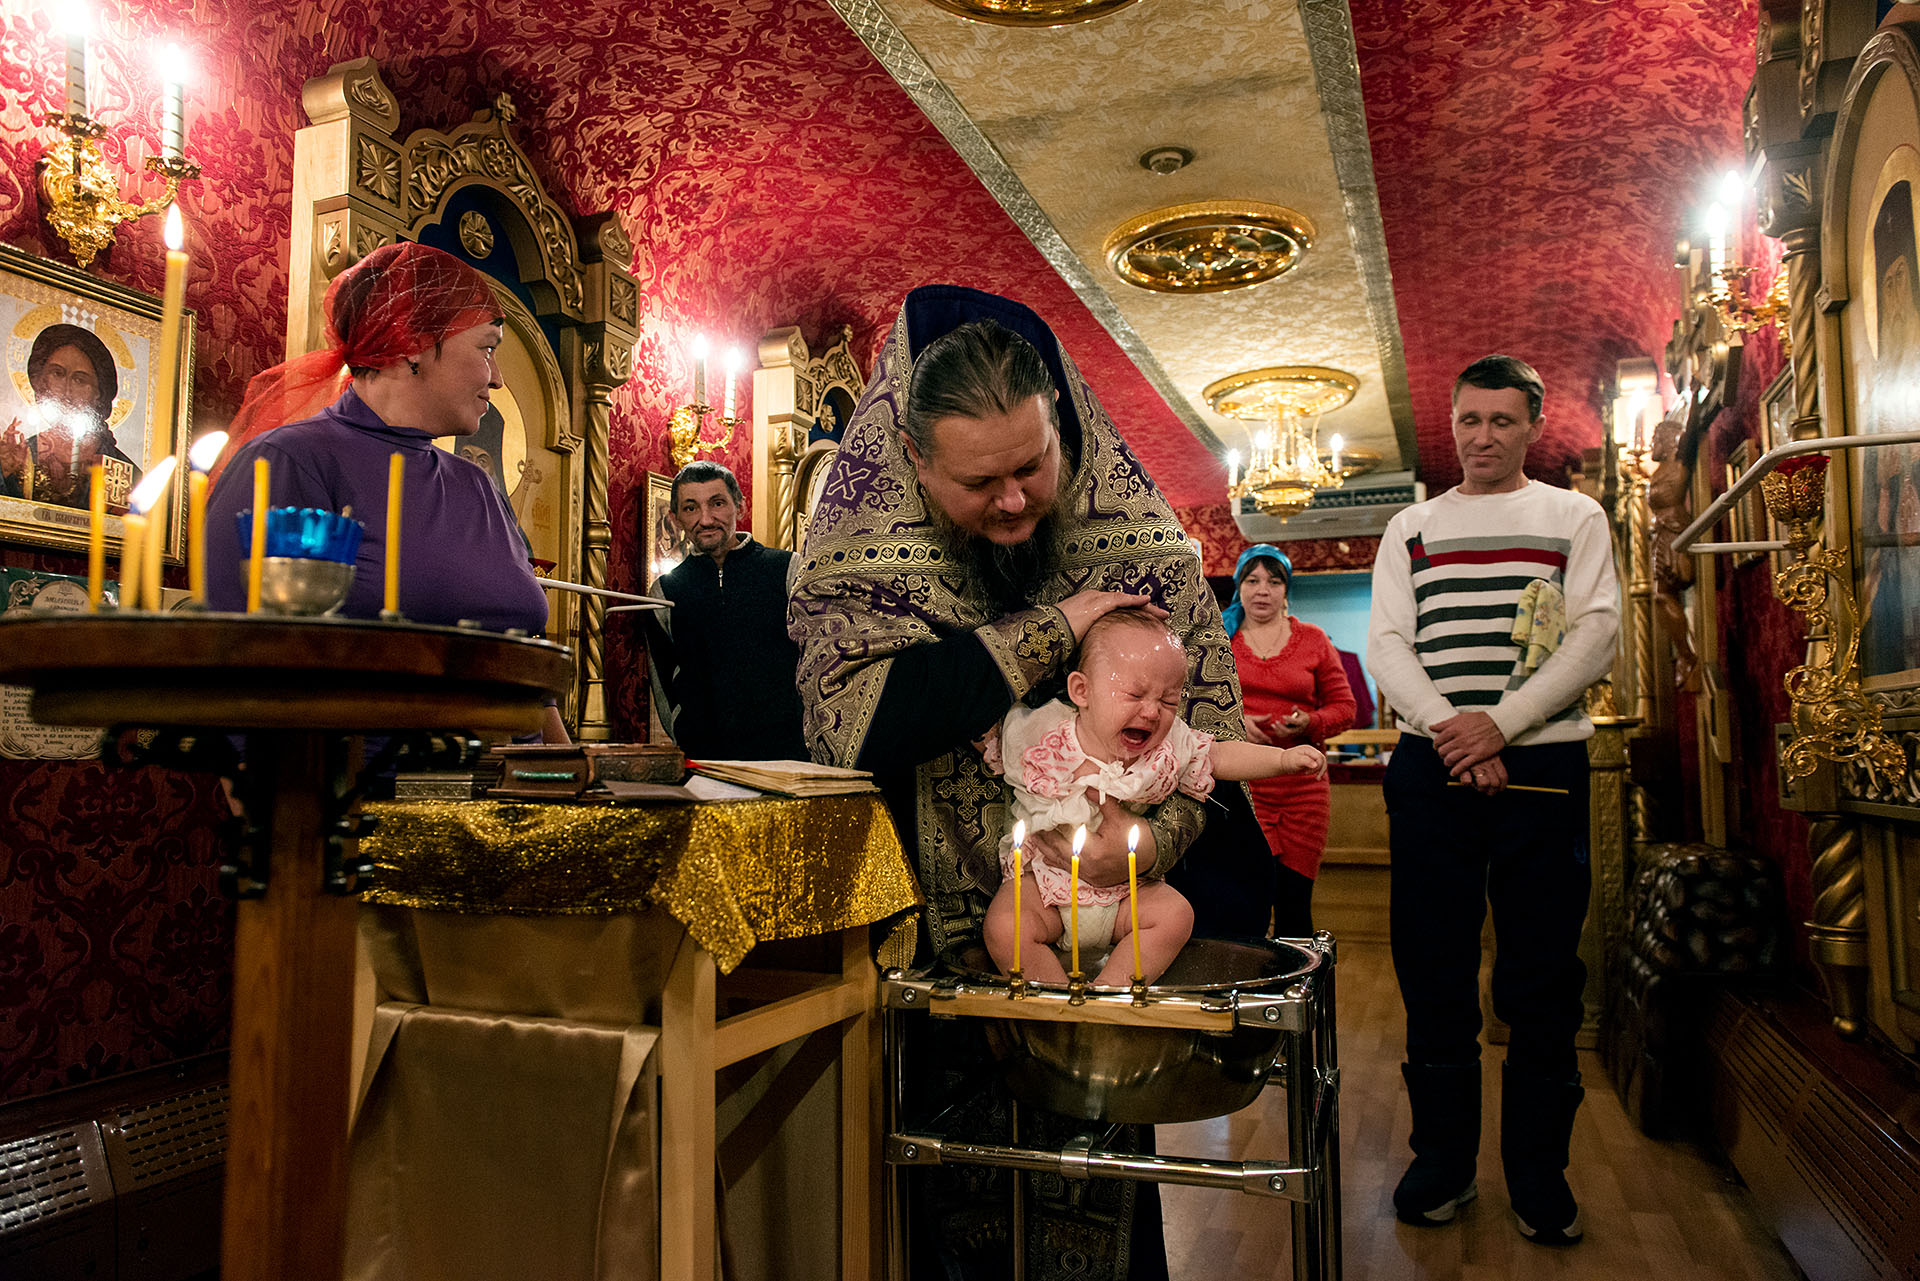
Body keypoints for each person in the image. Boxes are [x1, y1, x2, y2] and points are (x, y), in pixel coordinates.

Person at [790, 284, 1271, 1281]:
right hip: (927, 950)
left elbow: (1209, 751)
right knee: (943, 1212)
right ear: (914, 459)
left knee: (1096, 1194)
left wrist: (1144, 843)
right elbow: (855, 725)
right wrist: (1058, 626)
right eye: (979, 481)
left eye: (1032, 465)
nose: (1012, 500)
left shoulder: (1144, 551)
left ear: (1063, 425)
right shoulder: (856, 557)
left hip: (1103, 945)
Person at [1367, 353, 1619, 1245]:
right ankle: (1441, 1163)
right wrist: (1455, 731)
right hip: (1431, 769)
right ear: (1452, 422)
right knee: (1432, 973)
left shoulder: (1574, 515)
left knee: (1541, 980)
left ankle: (1539, 1177)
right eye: (1469, 420)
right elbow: (1388, 643)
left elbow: (1597, 632)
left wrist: (1501, 724)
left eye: (1502, 420)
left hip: (1542, 770)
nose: (1483, 436)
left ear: (1532, 427)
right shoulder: (1411, 525)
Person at [204, 241, 565, 743]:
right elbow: (241, 675)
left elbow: (530, 677)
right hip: (368, 786)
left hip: (518, 782)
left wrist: (568, 772)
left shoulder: (477, 485)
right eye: (487, 348)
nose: (498, 378)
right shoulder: (290, 463)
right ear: (413, 343)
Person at [982, 607, 1326, 985]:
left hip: (1127, 894)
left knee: (1176, 915)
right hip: (1043, 885)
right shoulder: (1039, 731)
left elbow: (1219, 755)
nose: (1151, 712)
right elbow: (983, 726)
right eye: (1134, 694)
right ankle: (1056, 1002)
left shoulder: (1168, 747)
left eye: (1168, 701)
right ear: (1082, 691)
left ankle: (1111, 996)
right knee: (1004, 926)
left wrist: (1283, 760)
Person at [1223, 543, 1356, 936]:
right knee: (1248, 902)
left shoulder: (1313, 639)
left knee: (1295, 905)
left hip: (1303, 791)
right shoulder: (1222, 638)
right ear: (1239, 587)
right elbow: (1193, 705)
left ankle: (1295, 977)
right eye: (1252, 581)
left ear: (1286, 591)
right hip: (1244, 787)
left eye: (1274, 581)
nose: (1262, 590)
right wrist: (1236, 724)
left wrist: (1310, 723)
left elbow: (1346, 708)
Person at [643, 459, 807, 761]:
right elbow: (662, 681)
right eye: (691, 508)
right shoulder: (664, 592)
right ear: (675, 518)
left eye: (717, 504)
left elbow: (817, 659)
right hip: (704, 761)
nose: (705, 519)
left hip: (788, 756)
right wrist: (683, 733)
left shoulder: (788, 570)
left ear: (740, 507)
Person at [0, 323, 139, 510]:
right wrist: (6, 474)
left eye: (80, 380)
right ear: (42, 380)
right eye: (57, 374)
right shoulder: (23, 454)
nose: (66, 391)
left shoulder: (121, 470)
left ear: (98, 393)